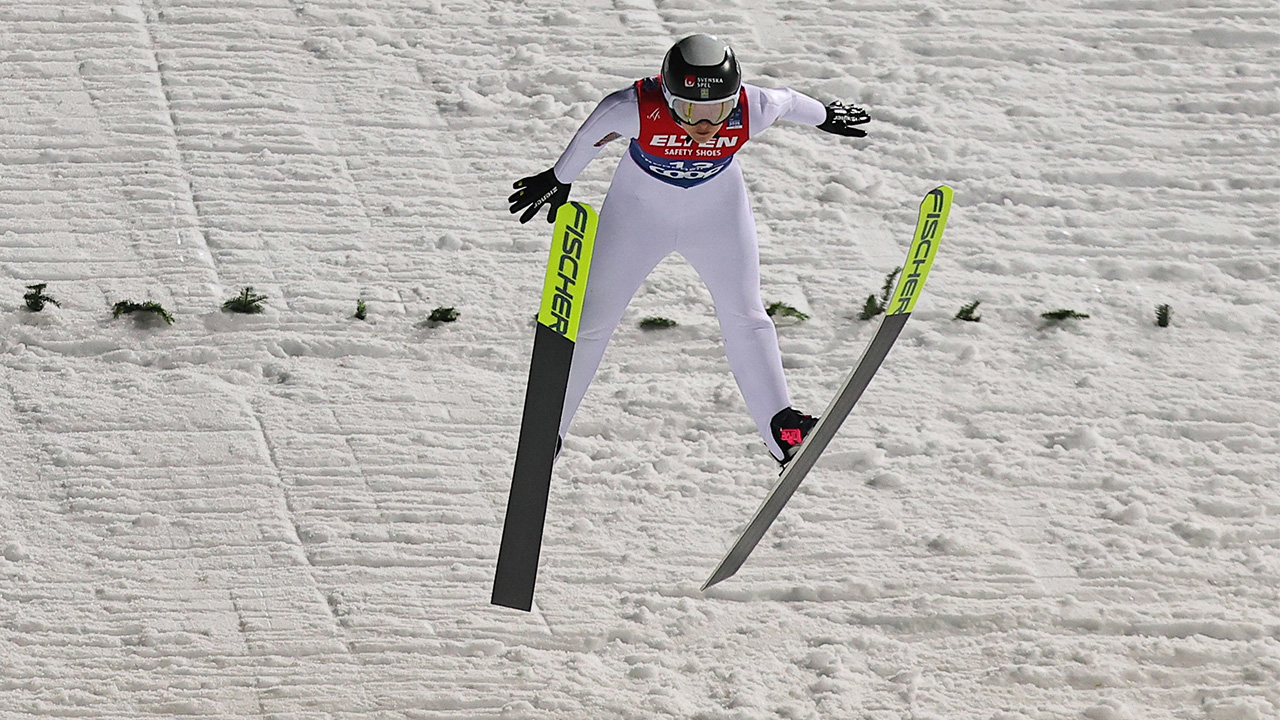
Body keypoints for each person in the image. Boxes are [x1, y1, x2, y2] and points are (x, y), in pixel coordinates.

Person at [508, 34, 870, 464]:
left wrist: (826, 115)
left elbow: (788, 100)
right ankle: (550, 431)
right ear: (666, 95)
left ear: (734, 99)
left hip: (716, 211)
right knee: (591, 319)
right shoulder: (634, 107)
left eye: (717, 110)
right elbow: (593, 130)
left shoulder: (753, 108)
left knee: (746, 313)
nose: (703, 124)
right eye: (688, 109)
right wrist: (560, 176)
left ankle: (782, 426)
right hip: (638, 212)